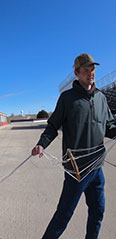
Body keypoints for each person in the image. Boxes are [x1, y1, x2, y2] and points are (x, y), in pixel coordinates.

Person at [31, 53, 116, 238]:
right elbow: (53, 126)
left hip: (97, 169)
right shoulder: (67, 98)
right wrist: (41, 144)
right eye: (86, 70)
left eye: (92, 69)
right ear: (77, 73)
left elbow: (109, 128)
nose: (91, 73)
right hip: (76, 170)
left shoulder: (101, 97)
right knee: (64, 215)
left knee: (98, 211)